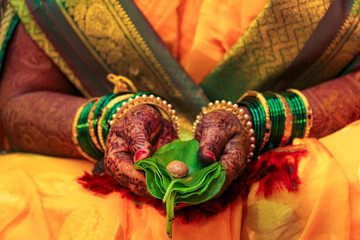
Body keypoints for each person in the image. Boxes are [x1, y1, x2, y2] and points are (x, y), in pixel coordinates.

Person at [0, 0, 360, 239]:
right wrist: (113, 121)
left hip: (299, 153)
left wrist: (261, 121)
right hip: (107, 171)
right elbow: (19, 101)